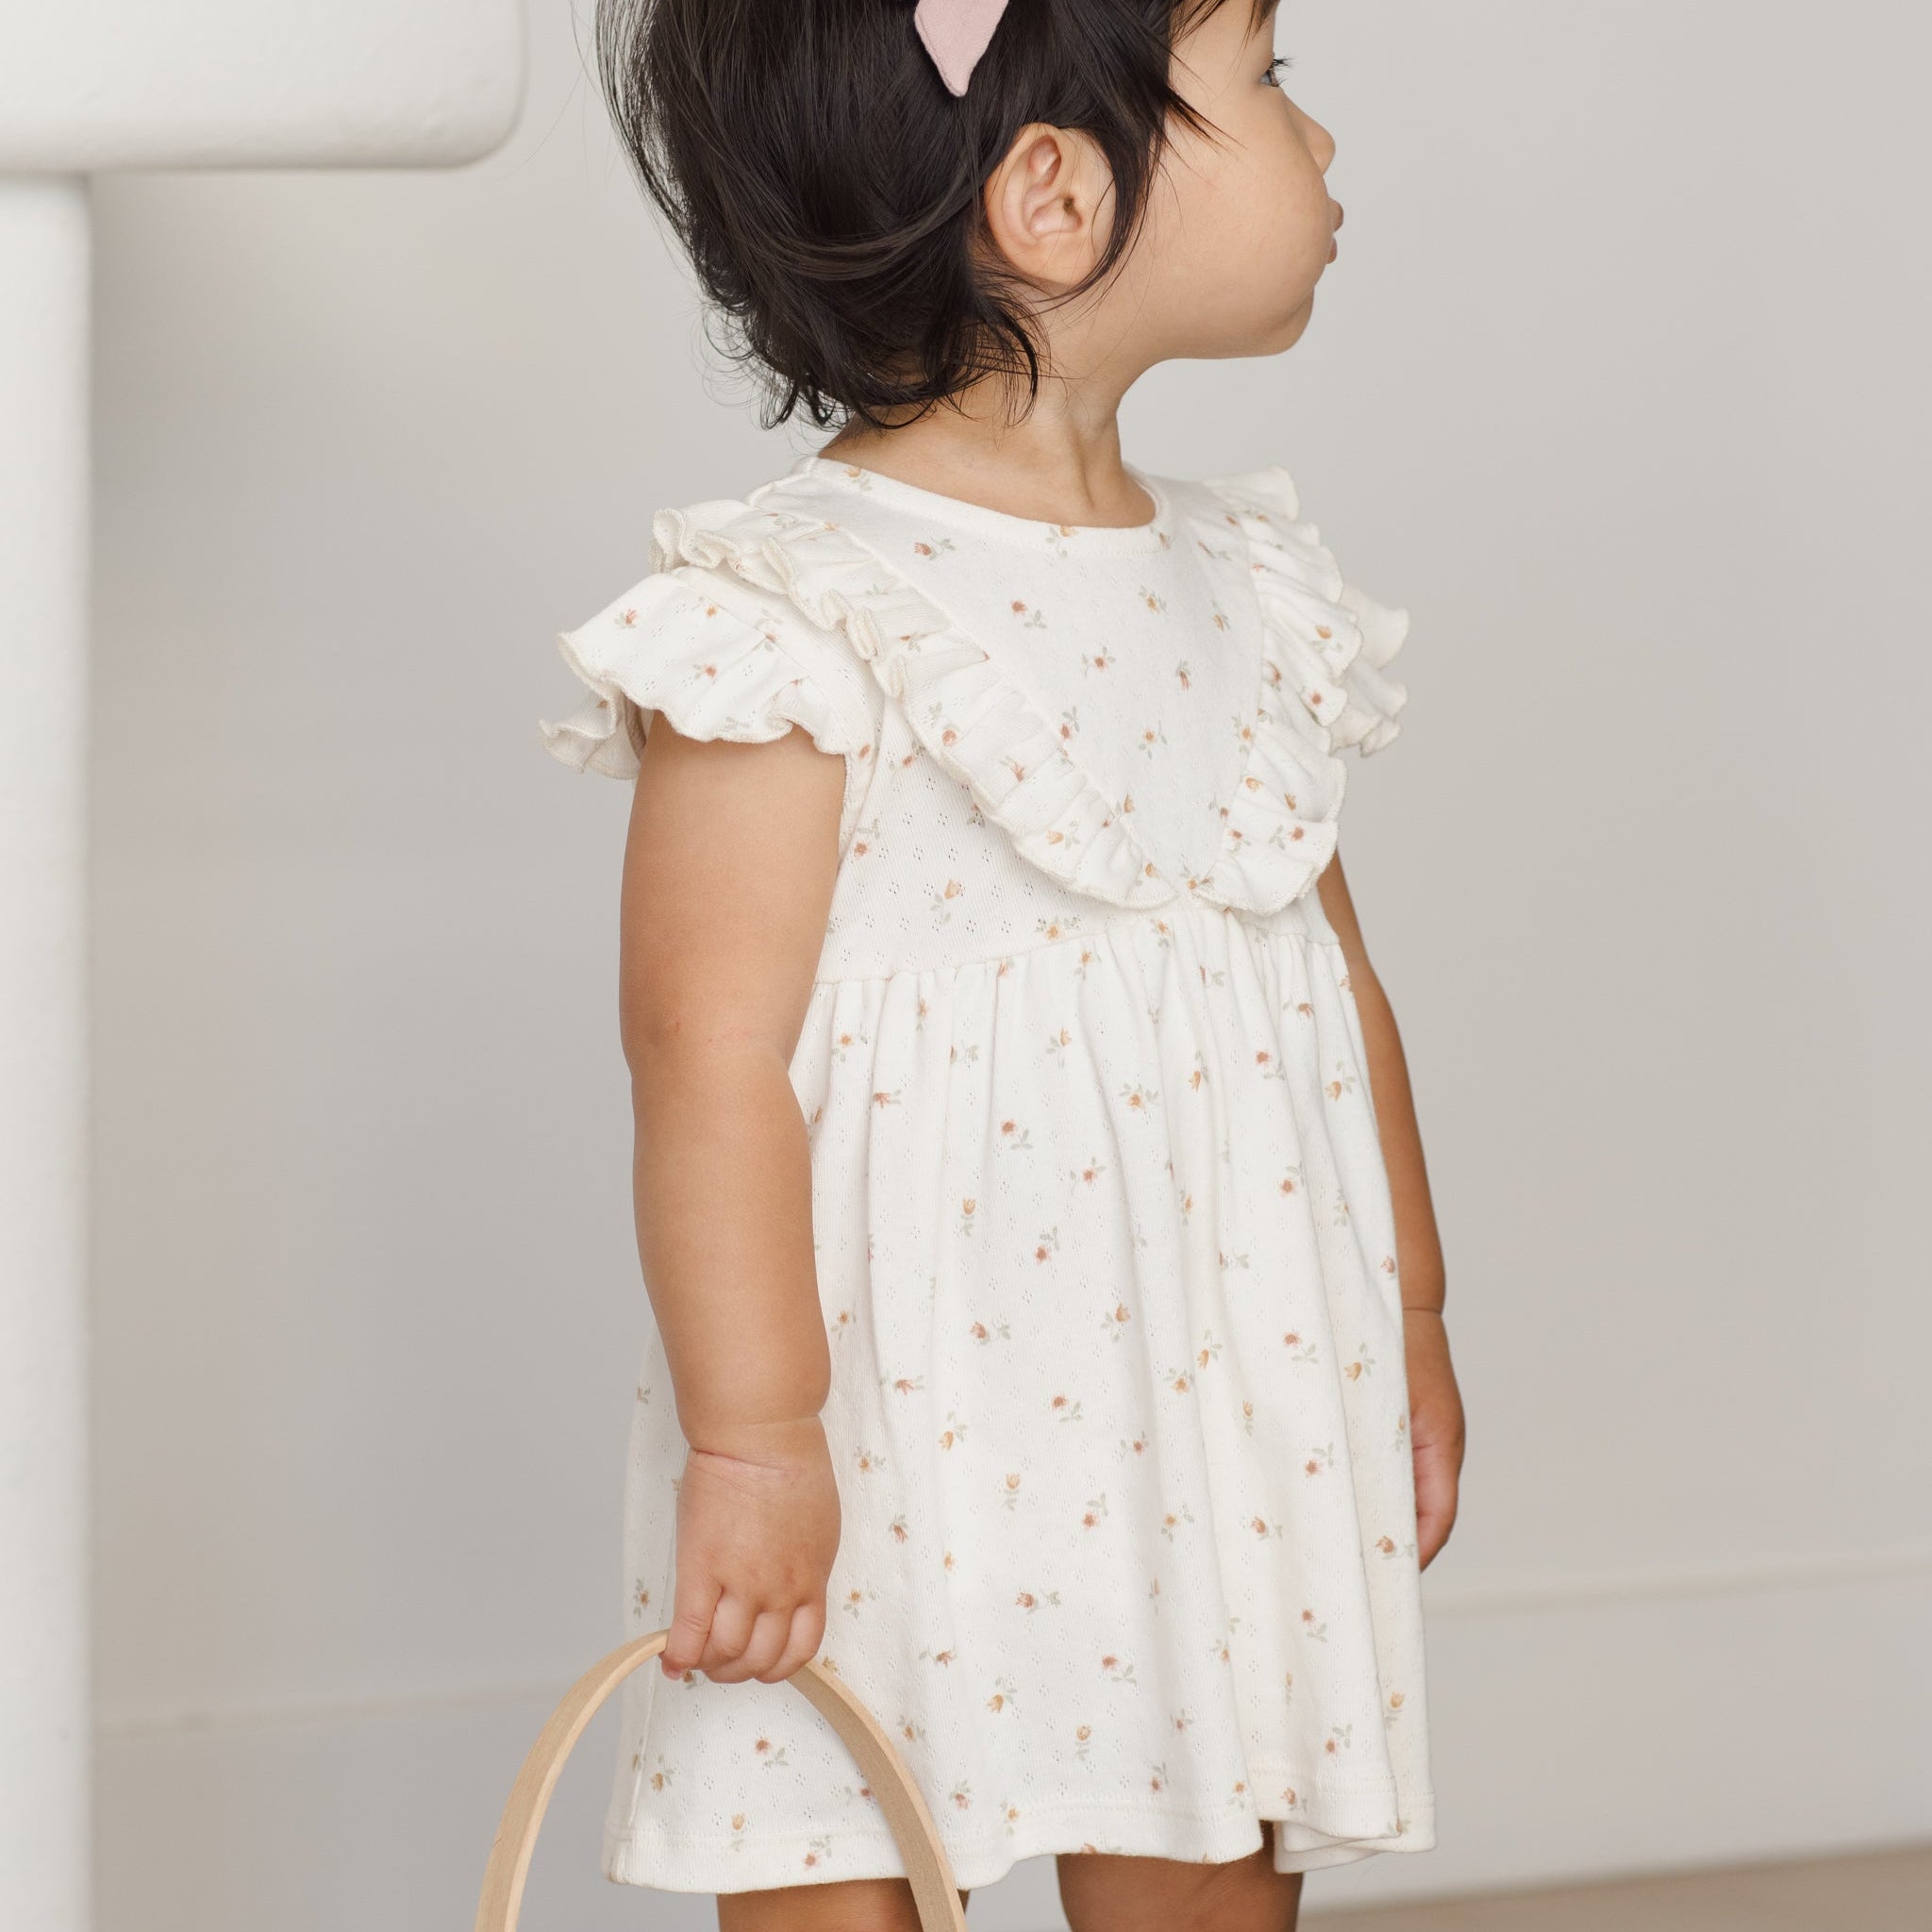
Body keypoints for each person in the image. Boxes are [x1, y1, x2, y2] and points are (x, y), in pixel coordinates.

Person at [539, 3, 1463, 1925]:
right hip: (882, 1425)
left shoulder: (1248, 591)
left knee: (1211, 1824)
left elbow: (1332, 985)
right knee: (831, 1809)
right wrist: (754, 1439)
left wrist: (1415, 1324)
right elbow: (706, 1050)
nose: (1319, 145)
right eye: (1270, 82)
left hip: (1208, 1392)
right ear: (1052, 194)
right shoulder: (798, 612)